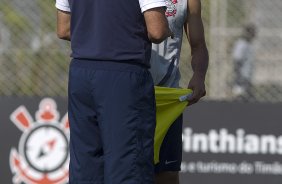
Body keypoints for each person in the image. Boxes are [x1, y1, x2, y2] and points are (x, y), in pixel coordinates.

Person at [55, 0, 173, 183]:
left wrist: (96, 37)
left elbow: (63, 29)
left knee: (86, 166)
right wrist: (168, 29)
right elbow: (157, 31)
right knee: (129, 165)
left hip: (81, 73)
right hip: (123, 73)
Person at [149, 0, 209, 184]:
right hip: (127, 92)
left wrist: (199, 75)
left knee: (166, 175)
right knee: (122, 169)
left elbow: (198, 45)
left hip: (167, 96)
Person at [231, 23, 257, 100]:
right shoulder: (241, 44)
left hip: (247, 75)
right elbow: (237, 59)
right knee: (240, 93)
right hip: (242, 76)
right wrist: (239, 74)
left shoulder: (250, 45)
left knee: (248, 96)